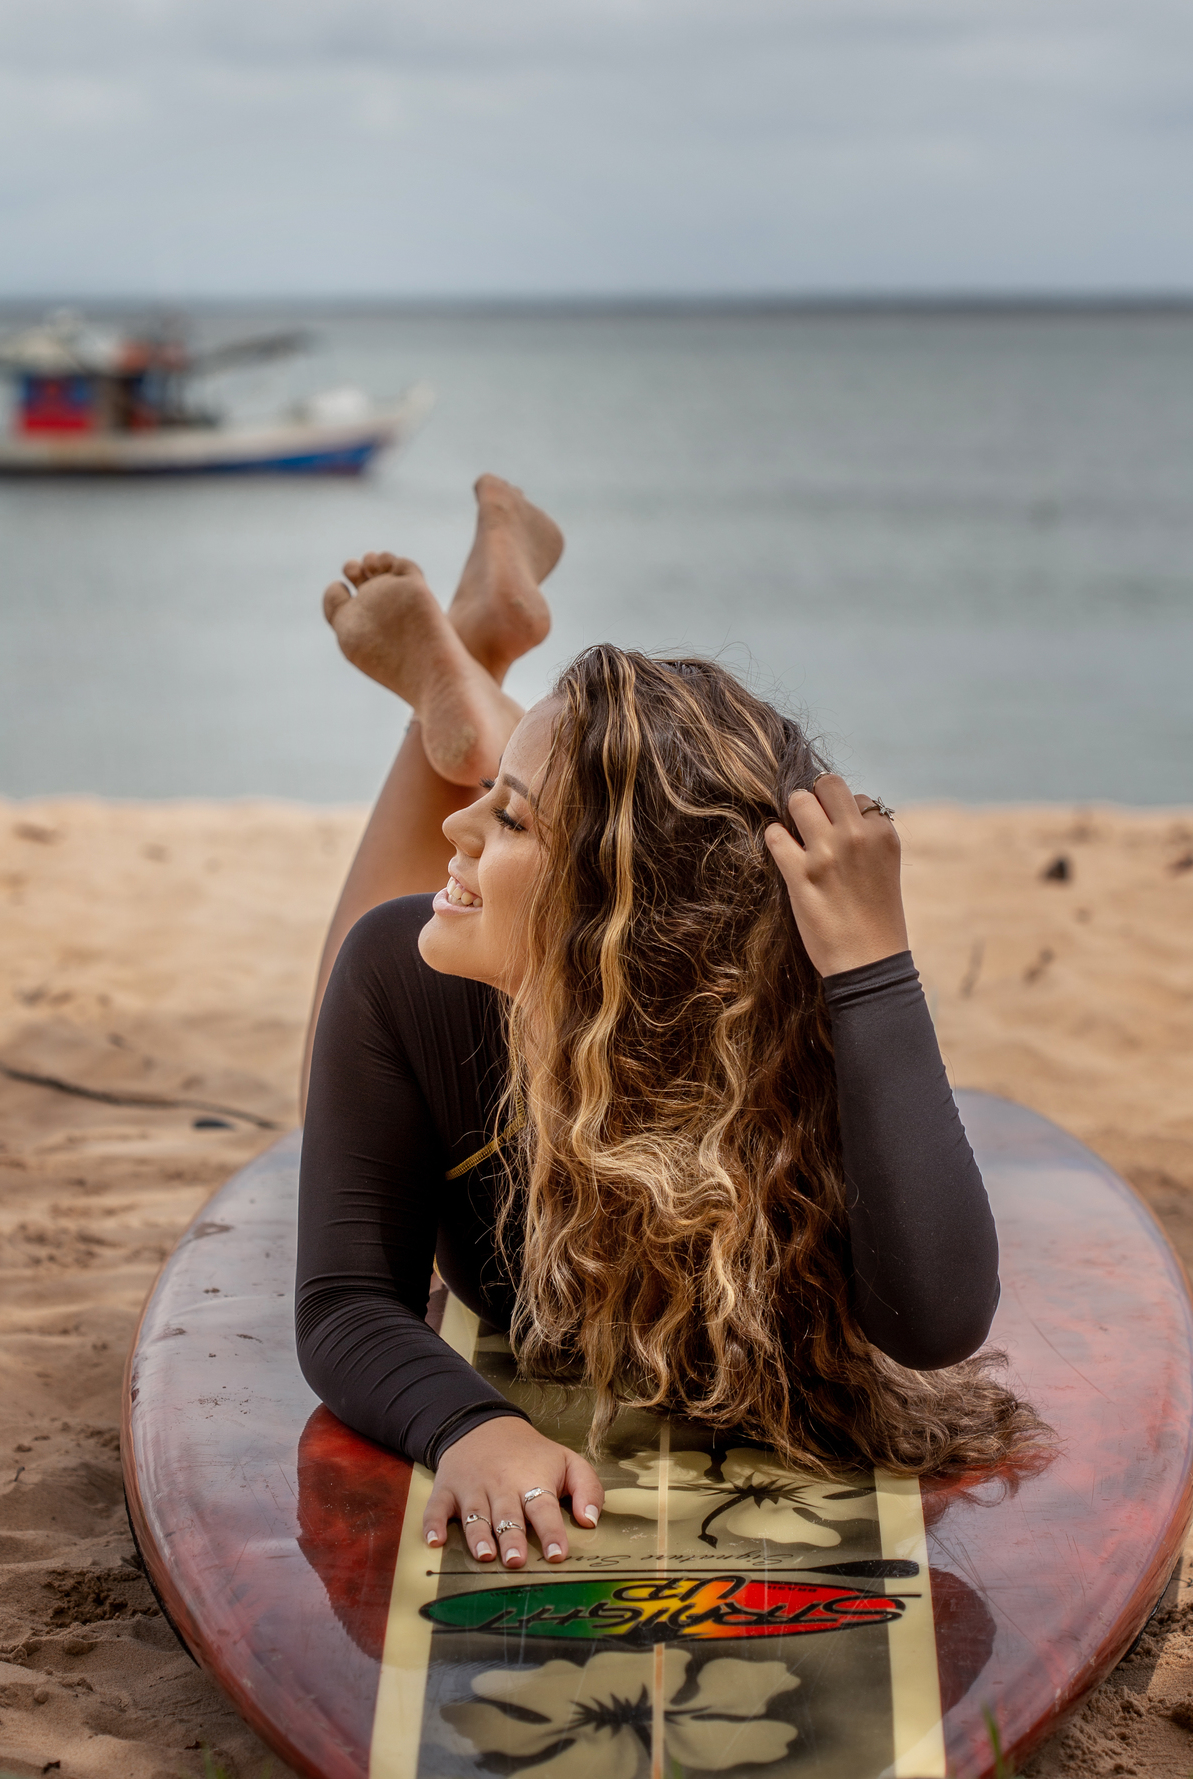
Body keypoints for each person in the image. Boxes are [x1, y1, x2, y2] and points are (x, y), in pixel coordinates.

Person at [296, 474, 1037, 1576]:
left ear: (617, 908)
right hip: (506, 965)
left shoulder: (790, 1044)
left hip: (627, 956)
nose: (460, 823)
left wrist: (877, 967)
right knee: (371, 978)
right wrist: (473, 1425)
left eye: (505, 809)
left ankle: (483, 673)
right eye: (490, 794)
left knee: (488, 884)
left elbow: (935, 1320)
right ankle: (474, 690)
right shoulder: (409, 980)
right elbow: (347, 1300)